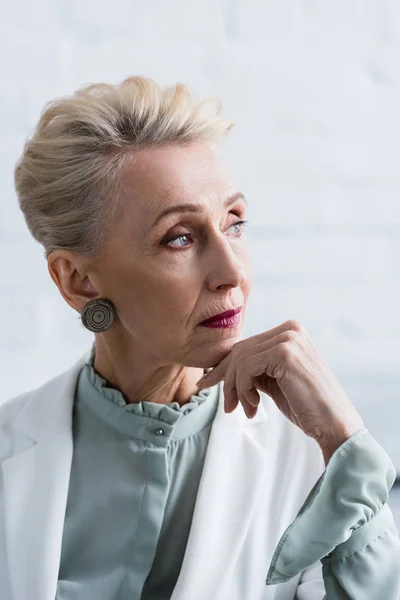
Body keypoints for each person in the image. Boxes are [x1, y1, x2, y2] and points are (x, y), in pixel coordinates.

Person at [0, 76, 399, 600]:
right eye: (180, 237)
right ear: (79, 279)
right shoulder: (10, 454)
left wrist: (346, 448)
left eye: (234, 222)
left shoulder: (313, 465)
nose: (231, 271)